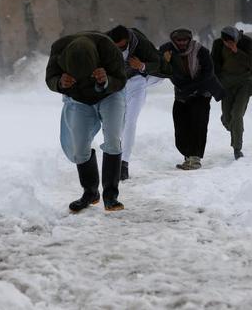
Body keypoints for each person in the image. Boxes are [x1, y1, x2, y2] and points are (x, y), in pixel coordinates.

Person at [45, 32, 127, 212]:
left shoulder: (108, 48)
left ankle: (110, 196)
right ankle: (90, 192)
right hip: (79, 100)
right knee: (79, 147)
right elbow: (50, 78)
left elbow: (121, 79)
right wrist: (59, 82)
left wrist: (106, 81)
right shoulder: (58, 49)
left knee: (113, 140)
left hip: (110, 95)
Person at [159, 28, 224, 170]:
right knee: (181, 126)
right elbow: (160, 69)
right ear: (173, 40)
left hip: (202, 91)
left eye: (185, 40)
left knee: (198, 125)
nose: (182, 43)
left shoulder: (201, 51)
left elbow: (208, 73)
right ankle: (187, 155)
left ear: (189, 39)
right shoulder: (166, 51)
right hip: (181, 93)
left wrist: (190, 87)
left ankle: (195, 158)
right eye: (179, 40)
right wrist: (165, 62)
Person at [106, 25, 161, 180]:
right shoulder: (103, 42)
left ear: (128, 41)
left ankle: (124, 163)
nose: (119, 49)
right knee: (117, 123)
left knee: (130, 121)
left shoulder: (142, 44)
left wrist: (142, 66)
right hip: (116, 85)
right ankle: (114, 159)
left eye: (122, 46)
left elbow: (158, 63)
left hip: (137, 82)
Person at [211, 26, 252, 160]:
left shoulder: (247, 42)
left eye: (231, 41)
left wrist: (236, 50)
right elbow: (214, 64)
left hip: (244, 82)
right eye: (226, 41)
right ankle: (231, 125)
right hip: (226, 83)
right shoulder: (218, 44)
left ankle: (237, 149)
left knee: (237, 114)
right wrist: (215, 83)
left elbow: (251, 63)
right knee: (228, 119)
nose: (228, 43)